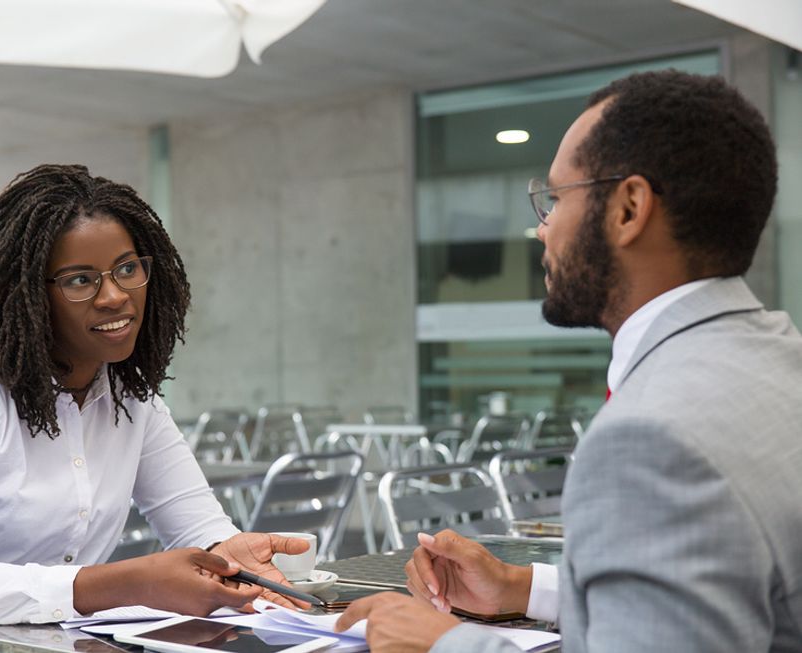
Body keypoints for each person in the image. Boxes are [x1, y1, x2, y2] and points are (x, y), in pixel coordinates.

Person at [336, 70, 802, 651]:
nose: (540, 229)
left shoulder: (651, 437)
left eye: (555, 198)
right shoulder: (781, 360)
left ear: (629, 208)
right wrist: (523, 587)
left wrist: (443, 643)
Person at [0, 164, 309, 651]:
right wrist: (122, 582)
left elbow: (200, 529)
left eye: (127, 268)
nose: (116, 296)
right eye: (80, 280)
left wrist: (226, 553)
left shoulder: (132, 399)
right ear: (24, 296)